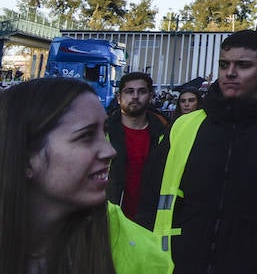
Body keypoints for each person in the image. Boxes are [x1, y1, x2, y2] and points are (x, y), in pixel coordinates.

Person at [137, 30, 257, 274]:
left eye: (243, 65)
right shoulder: (183, 126)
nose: (230, 73)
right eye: (224, 65)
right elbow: (150, 198)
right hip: (176, 266)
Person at [0, 77, 171, 274]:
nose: (110, 151)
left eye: (103, 132)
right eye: (86, 136)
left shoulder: (129, 244)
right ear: (25, 158)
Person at [103, 72, 170, 220]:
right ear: (119, 97)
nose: (135, 96)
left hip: (152, 220)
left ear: (151, 97)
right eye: (129, 91)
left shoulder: (166, 135)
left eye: (142, 91)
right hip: (111, 218)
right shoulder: (103, 132)